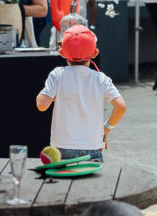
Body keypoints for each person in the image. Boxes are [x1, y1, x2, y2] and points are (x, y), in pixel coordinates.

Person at [36, 25, 126, 162]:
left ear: (62, 53)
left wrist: (46, 94)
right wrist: (106, 129)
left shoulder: (57, 75)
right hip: (93, 148)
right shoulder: (101, 79)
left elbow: (42, 105)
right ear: (95, 53)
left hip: (62, 148)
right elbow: (121, 106)